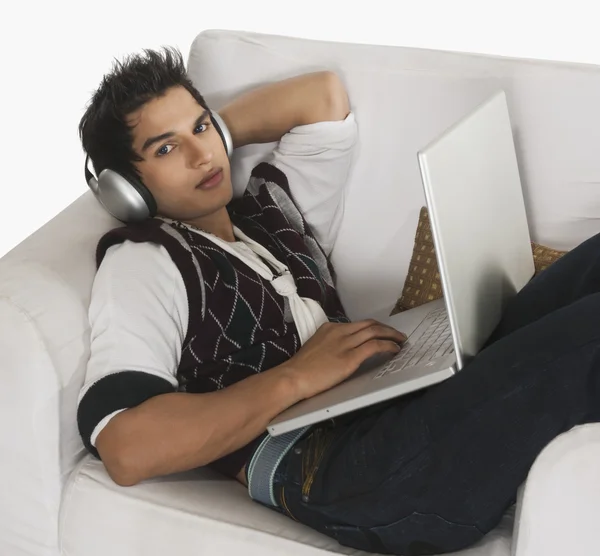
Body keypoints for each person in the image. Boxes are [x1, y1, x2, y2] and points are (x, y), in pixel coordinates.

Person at [77, 47, 600, 556]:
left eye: (200, 127)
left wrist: (213, 133)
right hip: (347, 472)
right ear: (126, 189)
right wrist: (298, 376)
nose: (201, 156)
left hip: (391, 403)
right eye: (165, 149)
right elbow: (126, 446)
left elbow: (322, 98)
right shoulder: (145, 261)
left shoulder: (267, 208)